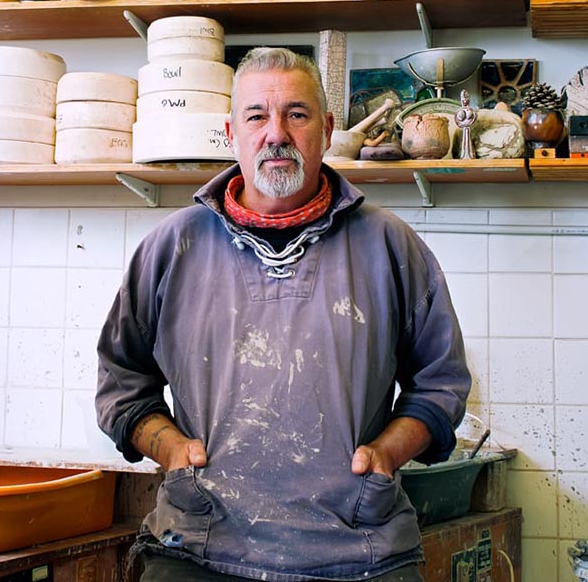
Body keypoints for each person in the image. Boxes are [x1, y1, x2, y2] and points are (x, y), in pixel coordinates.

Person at [96, 46, 471, 582]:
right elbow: (120, 379)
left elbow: (442, 383)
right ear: (232, 132)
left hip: (360, 548)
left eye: (297, 114)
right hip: (199, 543)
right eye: (257, 116)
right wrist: (171, 448)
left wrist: (386, 455)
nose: (276, 133)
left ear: (327, 128)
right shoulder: (171, 246)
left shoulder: (391, 245)